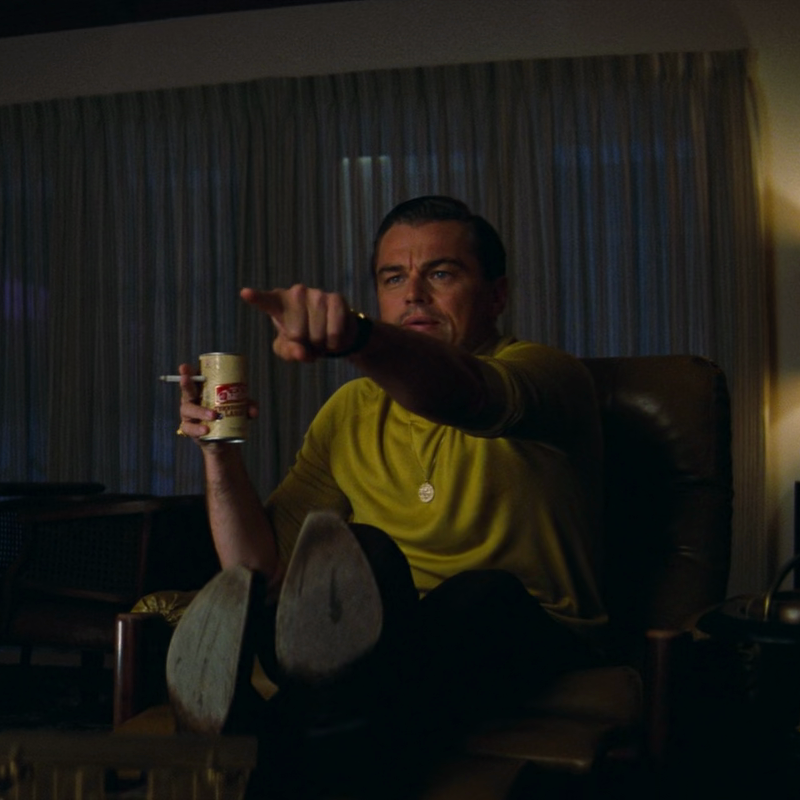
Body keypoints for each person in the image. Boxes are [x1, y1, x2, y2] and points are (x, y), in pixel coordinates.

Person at [172, 196, 607, 797]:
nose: (414, 296)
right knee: (358, 553)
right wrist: (218, 454)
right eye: (393, 278)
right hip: (380, 639)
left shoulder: (547, 374)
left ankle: (259, 731)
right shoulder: (350, 409)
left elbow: (463, 394)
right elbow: (257, 570)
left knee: (483, 593)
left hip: (525, 629)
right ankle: (305, 723)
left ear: (497, 295)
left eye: (442, 274)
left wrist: (357, 338)